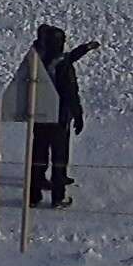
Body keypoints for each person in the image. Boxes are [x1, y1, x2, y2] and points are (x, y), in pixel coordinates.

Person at [22, 24, 98, 208]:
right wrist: (78, 115)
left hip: (39, 115)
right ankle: (58, 197)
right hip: (58, 118)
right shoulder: (61, 65)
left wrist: (84, 48)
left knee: (38, 155)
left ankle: (33, 195)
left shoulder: (37, 59)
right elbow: (70, 93)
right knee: (59, 157)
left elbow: (68, 58)